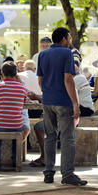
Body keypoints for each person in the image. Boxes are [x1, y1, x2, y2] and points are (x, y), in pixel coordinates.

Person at [37, 27, 87, 186]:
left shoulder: (42, 54)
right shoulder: (67, 53)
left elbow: (40, 79)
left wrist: (47, 93)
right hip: (63, 101)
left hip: (47, 101)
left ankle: (48, 173)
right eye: (69, 38)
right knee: (67, 138)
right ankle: (67, 174)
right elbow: (68, 80)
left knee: (49, 137)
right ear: (64, 39)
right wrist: (75, 103)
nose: (70, 41)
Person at [0, 61, 30, 169]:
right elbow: (26, 101)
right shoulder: (22, 88)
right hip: (17, 125)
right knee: (21, 130)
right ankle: (15, 160)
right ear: (16, 74)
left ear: (2, 74)